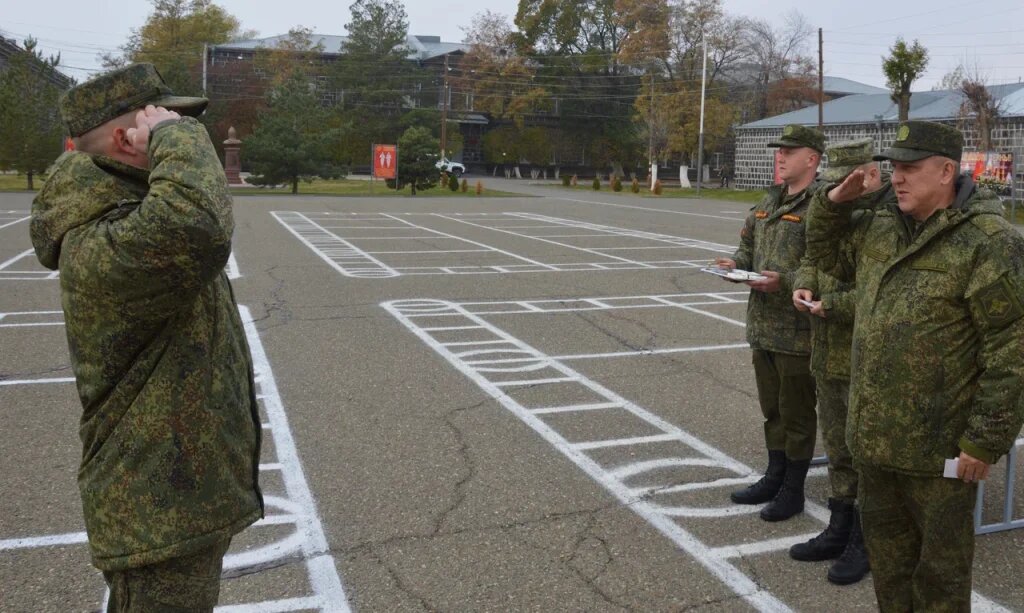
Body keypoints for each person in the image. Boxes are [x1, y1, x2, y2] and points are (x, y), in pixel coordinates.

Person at [30, 63, 263, 612]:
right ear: (123, 138)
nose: (177, 124)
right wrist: (177, 140)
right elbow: (197, 226)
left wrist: (167, 138)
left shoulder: (132, 213)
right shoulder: (100, 237)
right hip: (153, 504)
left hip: (178, 492)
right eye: (160, 118)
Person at [805, 120, 1024, 610]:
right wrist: (835, 201)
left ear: (947, 171)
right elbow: (823, 254)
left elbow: (1011, 351)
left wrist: (984, 441)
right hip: (876, 446)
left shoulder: (987, 241)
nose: (897, 178)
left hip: (940, 456)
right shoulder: (881, 228)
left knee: (940, 584)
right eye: (894, 168)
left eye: (910, 168)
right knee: (890, 573)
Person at [789, 138, 893, 585]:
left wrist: (832, 303)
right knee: (839, 448)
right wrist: (805, 285)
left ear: (871, 176)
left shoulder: (888, 220)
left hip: (864, 352)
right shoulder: (832, 210)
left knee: (868, 453)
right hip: (828, 349)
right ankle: (840, 524)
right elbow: (811, 256)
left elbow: (880, 290)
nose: (842, 189)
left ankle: (866, 538)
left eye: (851, 181)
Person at [715, 124, 825, 522]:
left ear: (812, 158)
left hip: (796, 331)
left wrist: (787, 282)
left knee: (796, 412)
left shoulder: (821, 206)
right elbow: (747, 247)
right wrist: (736, 266)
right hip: (762, 326)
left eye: (789, 151)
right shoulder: (769, 200)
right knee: (772, 409)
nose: (780, 156)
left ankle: (793, 489)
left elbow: (828, 268)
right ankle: (774, 474)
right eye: (779, 151)